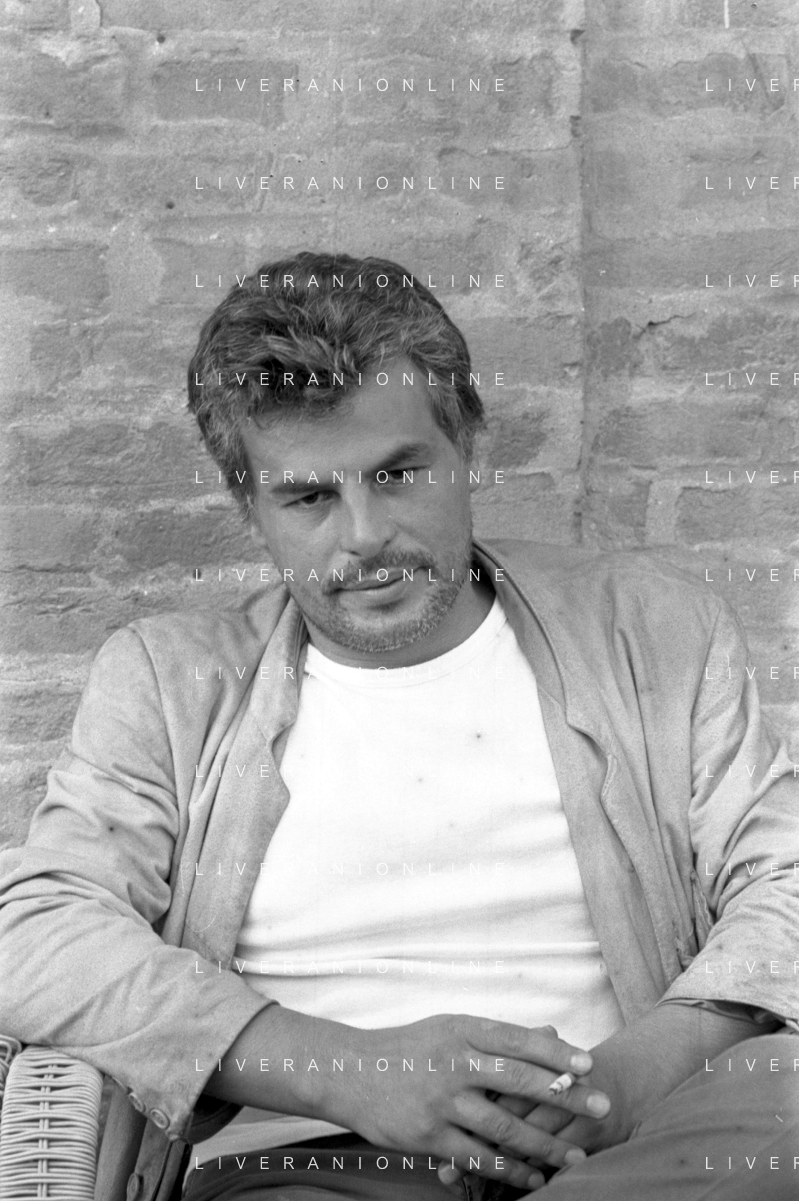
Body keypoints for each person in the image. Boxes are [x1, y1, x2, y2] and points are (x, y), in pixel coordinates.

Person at [0, 253, 796, 1201]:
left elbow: (781, 880)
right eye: (309, 496)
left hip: (629, 1145)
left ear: (467, 447)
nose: (365, 534)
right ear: (250, 507)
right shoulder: (168, 680)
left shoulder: (652, 630)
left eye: (399, 472)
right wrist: (346, 1071)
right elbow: (39, 927)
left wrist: (628, 1079)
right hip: (321, 1164)